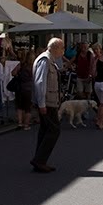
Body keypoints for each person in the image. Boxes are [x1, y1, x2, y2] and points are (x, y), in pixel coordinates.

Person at [30, 38, 65, 173]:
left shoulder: (50, 60)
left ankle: (39, 160)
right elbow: (40, 83)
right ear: (55, 48)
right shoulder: (44, 60)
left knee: (45, 130)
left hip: (50, 100)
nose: (63, 51)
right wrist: (42, 104)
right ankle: (39, 160)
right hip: (47, 102)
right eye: (62, 48)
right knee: (54, 130)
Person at [10, 48, 34, 130]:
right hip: (29, 89)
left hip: (20, 88)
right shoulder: (34, 66)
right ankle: (26, 124)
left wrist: (18, 76)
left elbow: (13, 73)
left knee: (19, 106)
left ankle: (20, 123)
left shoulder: (21, 64)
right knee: (28, 108)